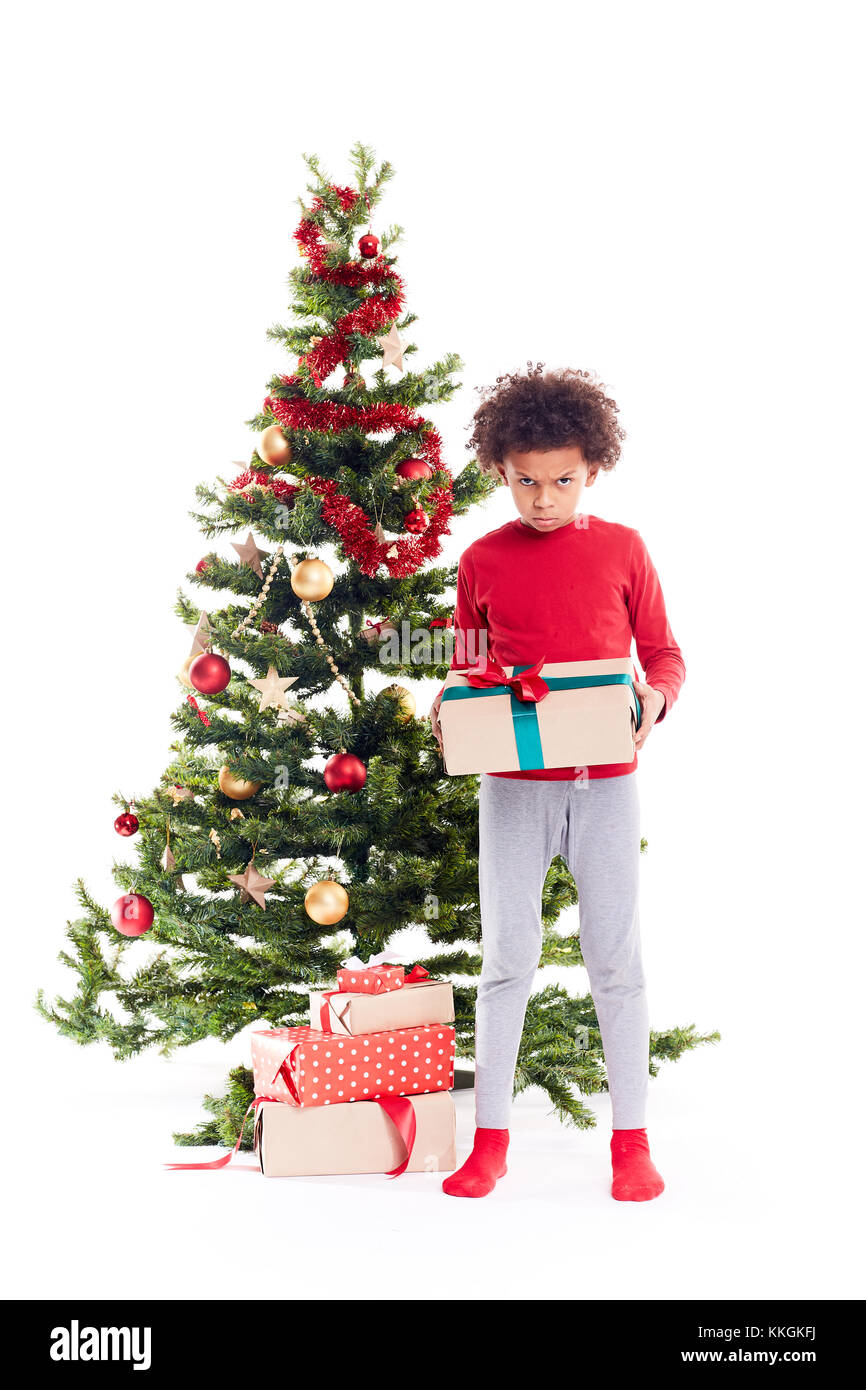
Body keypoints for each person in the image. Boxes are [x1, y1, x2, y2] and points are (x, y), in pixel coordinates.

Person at [427, 363, 685, 1201]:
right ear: (501, 470)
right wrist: (448, 701)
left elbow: (666, 655)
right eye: (525, 482)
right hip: (513, 785)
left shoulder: (623, 549)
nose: (543, 499)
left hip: (606, 783)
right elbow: (466, 668)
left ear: (594, 469)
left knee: (617, 960)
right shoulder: (481, 559)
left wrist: (656, 697)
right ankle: (491, 1141)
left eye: (563, 481)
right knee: (508, 961)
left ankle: (631, 1141)